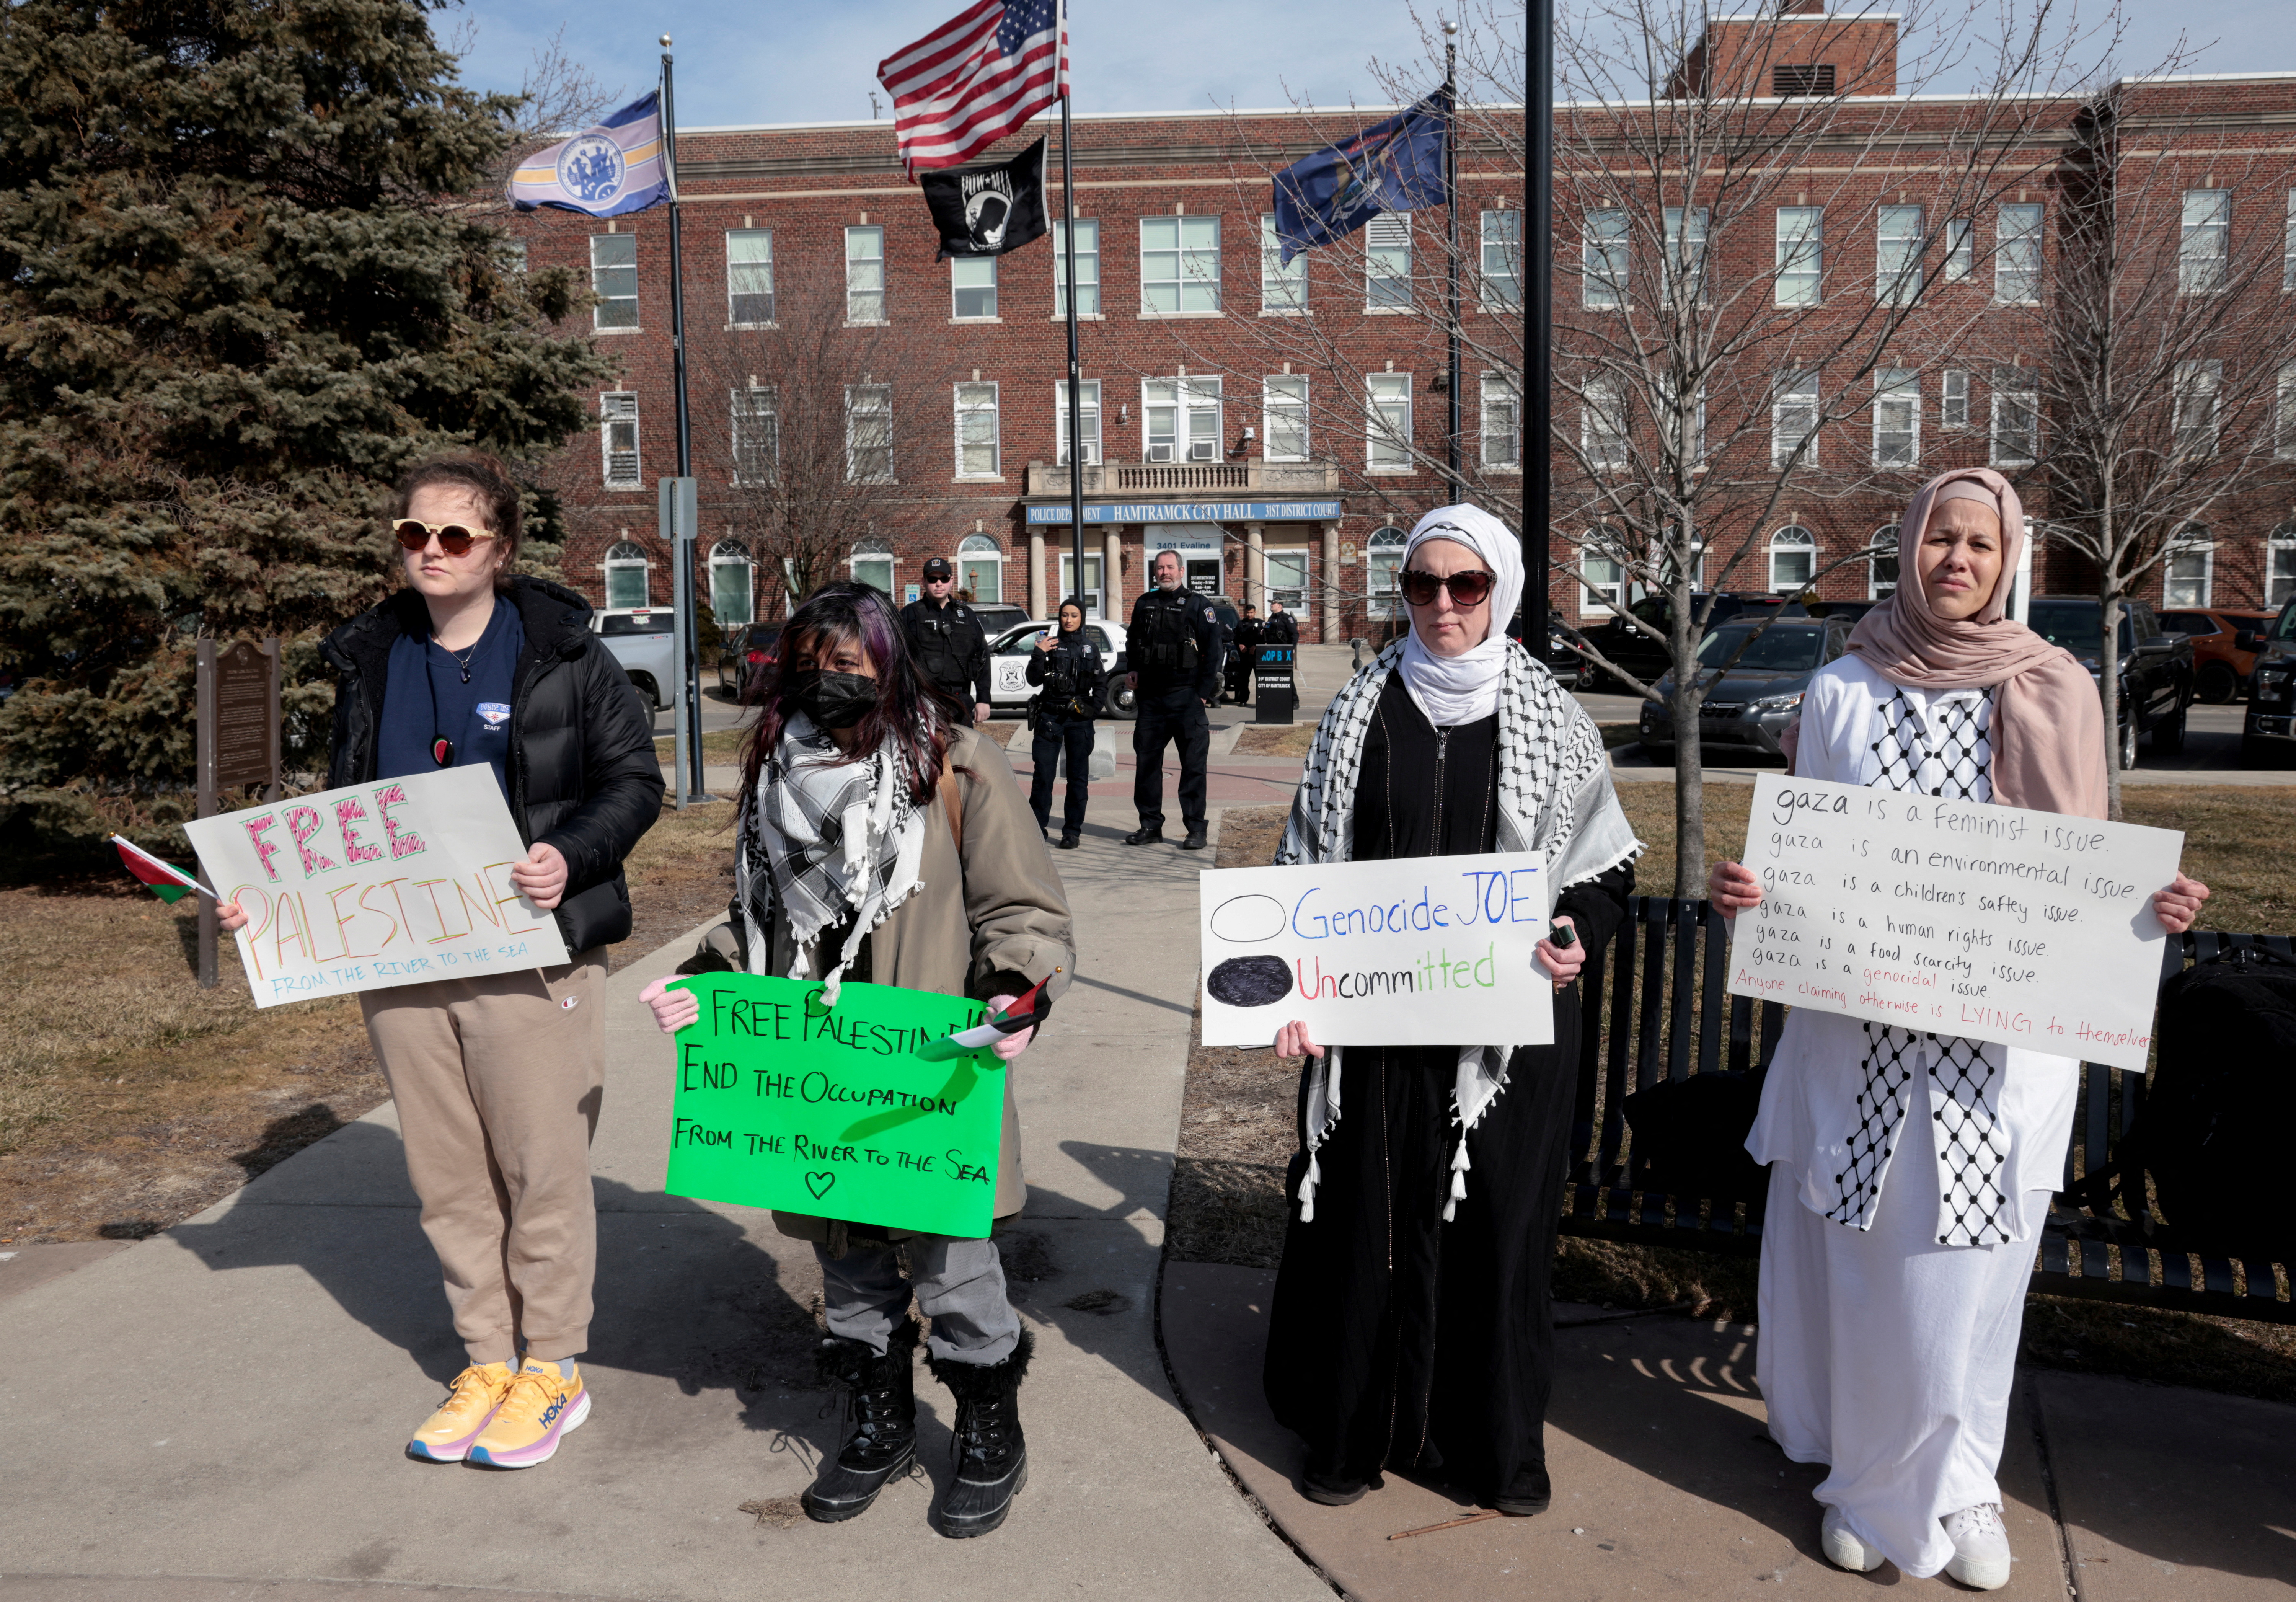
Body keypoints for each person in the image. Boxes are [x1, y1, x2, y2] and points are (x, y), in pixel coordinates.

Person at [1707, 468, 2211, 1591]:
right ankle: (1866, 1477)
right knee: (1873, 1264)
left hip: (2003, 1052)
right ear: (1906, 545)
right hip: (1860, 1039)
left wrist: (2151, 908)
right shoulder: (1838, 691)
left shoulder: (2051, 687)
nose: (1956, 561)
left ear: (2007, 560)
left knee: (1978, 1279)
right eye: (1939, 537)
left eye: (1978, 545)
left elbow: (2086, 872)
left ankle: (1963, 1481)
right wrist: (1748, 893)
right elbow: (1803, 869)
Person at [220, 452, 664, 1469]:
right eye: (413, 534)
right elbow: (345, 818)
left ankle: (553, 1365)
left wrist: (572, 852)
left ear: (500, 550)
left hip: (531, 954)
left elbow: (634, 780)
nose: (429, 551)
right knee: (447, 1175)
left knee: (538, 1165)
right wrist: (278, 900)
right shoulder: (371, 660)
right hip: (405, 959)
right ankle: (486, 1357)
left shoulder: (561, 652)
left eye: (453, 536)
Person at [638, 581, 1072, 1540]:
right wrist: (704, 985)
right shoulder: (771, 784)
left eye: (847, 667)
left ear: (887, 666)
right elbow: (752, 919)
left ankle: (988, 1426)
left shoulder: (957, 767)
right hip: (815, 1075)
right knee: (848, 1267)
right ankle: (878, 1420)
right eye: (807, 665)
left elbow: (1024, 912)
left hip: (927, 1071)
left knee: (955, 1265)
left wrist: (1017, 992)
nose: (824, 685)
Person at [1260, 504, 1642, 1516]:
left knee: (1490, 1241)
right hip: (1375, 1035)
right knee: (1362, 1228)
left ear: (1501, 593)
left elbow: (1607, 873)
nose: (1441, 604)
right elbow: (1303, 873)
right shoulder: (1358, 712)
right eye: (1421, 585)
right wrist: (1293, 993)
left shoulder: (1553, 722)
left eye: (1464, 586)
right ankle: (1352, 1434)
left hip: (1503, 1044)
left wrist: (1574, 933)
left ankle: (1486, 1451)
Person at [1123, 549, 1221, 850]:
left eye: (1169, 568)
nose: (1164, 573)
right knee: (1147, 765)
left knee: (1193, 766)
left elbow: (1213, 651)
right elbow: (1133, 642)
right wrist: (1132, 669)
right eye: (1159, 568)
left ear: (1181, 571)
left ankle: (1195, 829)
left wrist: (1202, 696)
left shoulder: (1198, 605)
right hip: (1152, 699)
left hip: (1186, 697)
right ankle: (1150, 825)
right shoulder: (1145, 603)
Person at [1026, 597, 1106, 849]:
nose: (1068, 620)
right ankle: (1037, 828)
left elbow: (1101, 686)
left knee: (1078, 778)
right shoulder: (1049, 646)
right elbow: (1033, 680)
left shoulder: (1090, 648)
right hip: (1050, 718)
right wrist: (1039, 654)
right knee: (1043, 776)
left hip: (1078, 720)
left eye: (1074, 615)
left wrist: (1091, 710)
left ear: (1082, 618)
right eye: (1064, 615)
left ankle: (1072, 831)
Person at [900, 556, 992, 726]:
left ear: (951, 581)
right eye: (933, 579)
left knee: (964, 751)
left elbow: (982, 657)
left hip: (960, 703)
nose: (939, 584)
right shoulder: (909, 614)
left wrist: (983, 699)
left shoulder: (967, 615)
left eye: (944, 579)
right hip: (922, 703)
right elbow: (896, 659)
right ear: (924, 582)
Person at [1226, 602, 1263, 706]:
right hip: (1245, 656)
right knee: (1244, 680)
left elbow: (1264, 638)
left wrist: (1256, 646)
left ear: (1255, 612)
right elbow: (1235, 637)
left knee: (1260, 679)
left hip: (1257, 657)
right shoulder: (1240, 624)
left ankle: (1262, 700)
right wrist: (1240, 645)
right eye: (1248, 613)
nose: (1249, 615)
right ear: (1245, 613)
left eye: (1252, 613)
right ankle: (1243, 700)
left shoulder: (1260, 623)